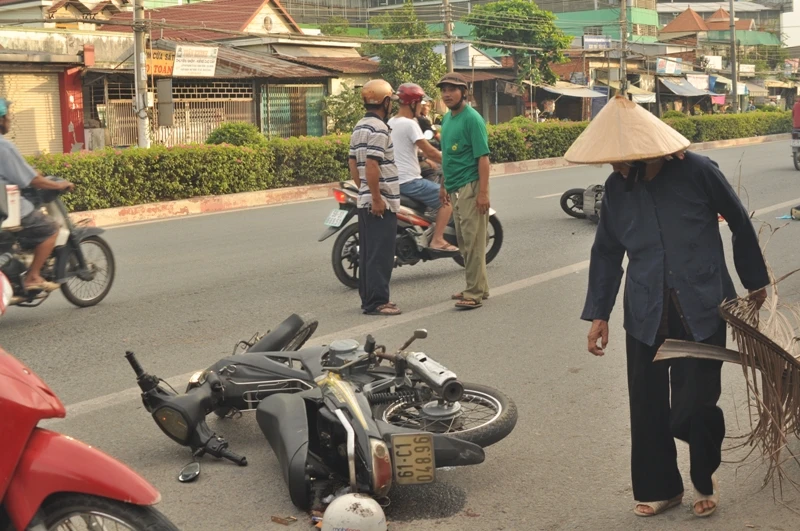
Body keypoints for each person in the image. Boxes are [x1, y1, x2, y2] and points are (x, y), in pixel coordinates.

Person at [566, 95, 769, 519]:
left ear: (648, 152)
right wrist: (599, 313)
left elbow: (738, 220)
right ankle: (661, 488)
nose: (616, 167)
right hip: (646, 310)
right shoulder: (617, 189)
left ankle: (703, 479)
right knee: (647, 405)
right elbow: (607, 252)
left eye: (623, 160)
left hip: (702, 304)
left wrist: (754, 282)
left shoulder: (699, 172)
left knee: (695, 406)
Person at [0, 98, 74, 293]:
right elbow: (32, 180)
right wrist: (58, 184)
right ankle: (32, 276)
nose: (10, 119)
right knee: (50, 229)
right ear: (1, 119)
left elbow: (17, 170)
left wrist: (32, 173)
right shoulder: (4, 147)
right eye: (8, 115)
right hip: (7, 208)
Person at [437, 72, 491, 310]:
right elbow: (447, 156)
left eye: (452, 89)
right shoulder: (447, 119)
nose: (447, 94)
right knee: (464, 240)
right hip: (455, 185)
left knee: (473, 241)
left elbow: (483, 158)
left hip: (471, 185)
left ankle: (474, 292)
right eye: (444, 90)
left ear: (464, 92)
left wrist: (483, 193)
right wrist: (443, 184)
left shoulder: (472, 119)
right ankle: (479, 286)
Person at [347, 80, 402, 316]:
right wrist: (377, 197)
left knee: (369, 253)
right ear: (385, 101)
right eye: (391, 102)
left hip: (365, 199)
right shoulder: (379, 129)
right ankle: (379, 302)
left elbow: (352, 163)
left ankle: (369, 301)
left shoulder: (360, 126)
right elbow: (372, 164)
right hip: (381, 202)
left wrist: (365, 191)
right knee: (381, 254)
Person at [388, 83, 456, 252]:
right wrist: (452, 160)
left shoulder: (391, 122)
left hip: (393, 181)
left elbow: (412, 150)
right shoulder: (410, 124)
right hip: (408, 181)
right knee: (447, 200)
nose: (422, 106)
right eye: (420, 103)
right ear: (413, 103)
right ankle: (437, 240)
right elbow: (430, 151)